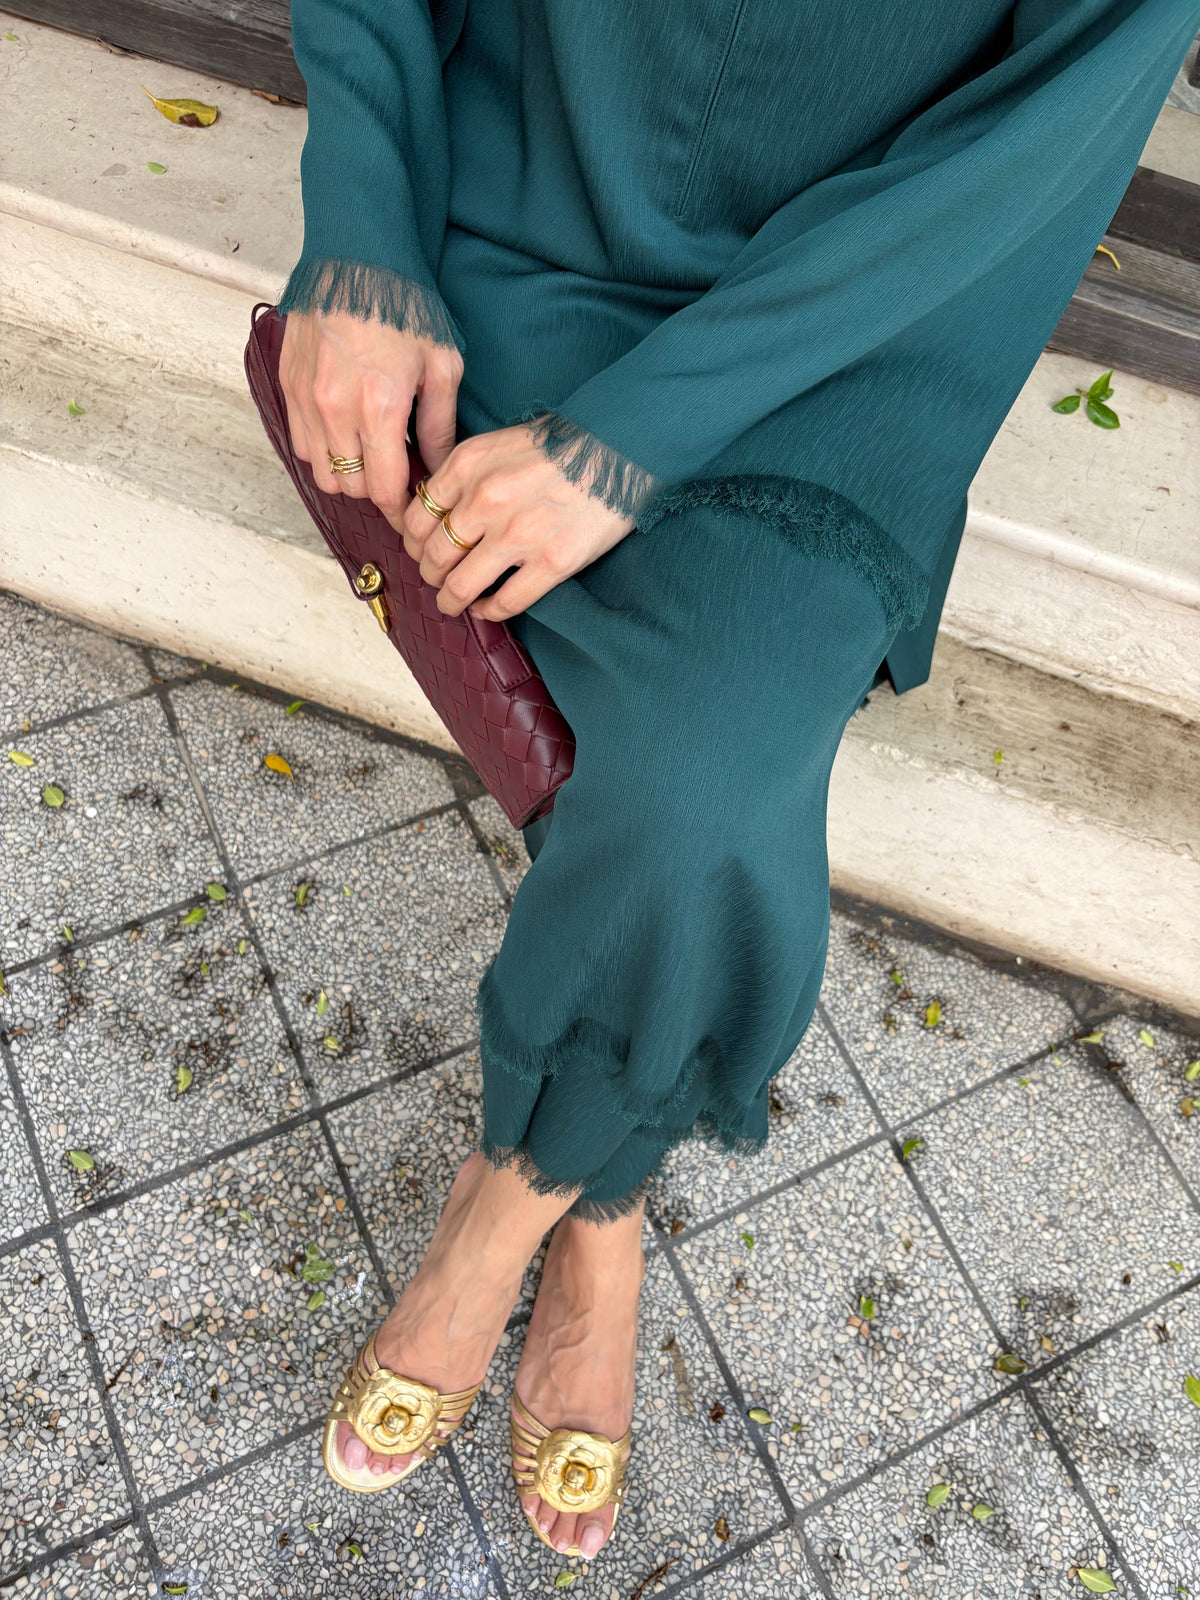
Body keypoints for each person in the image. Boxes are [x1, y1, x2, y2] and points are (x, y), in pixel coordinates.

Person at [276, 0, 1199, 1560]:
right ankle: (608, 1206)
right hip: (525, 210)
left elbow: (1041, 125)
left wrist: (626, 441)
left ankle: (514, 1204)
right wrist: (360, 223)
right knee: (696, 796)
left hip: (855, 331)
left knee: (703, 782)